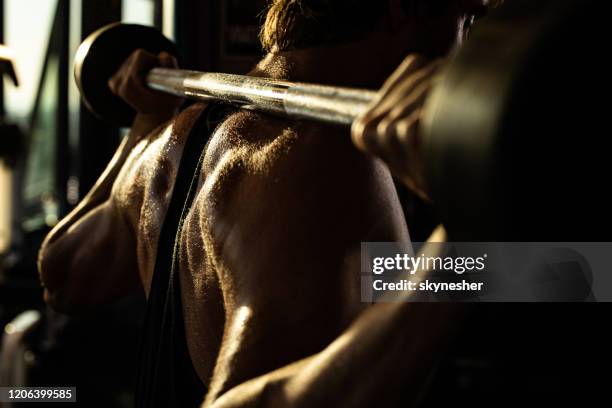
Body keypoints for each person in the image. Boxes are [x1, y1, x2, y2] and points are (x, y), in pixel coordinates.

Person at [38, 1, 488, 406]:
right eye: (467, 17)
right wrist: (460, 238)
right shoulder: (321, 167)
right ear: (399, 10)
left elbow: (63, 275)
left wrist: (143, 126)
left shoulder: (170, 140)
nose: (468, 45)